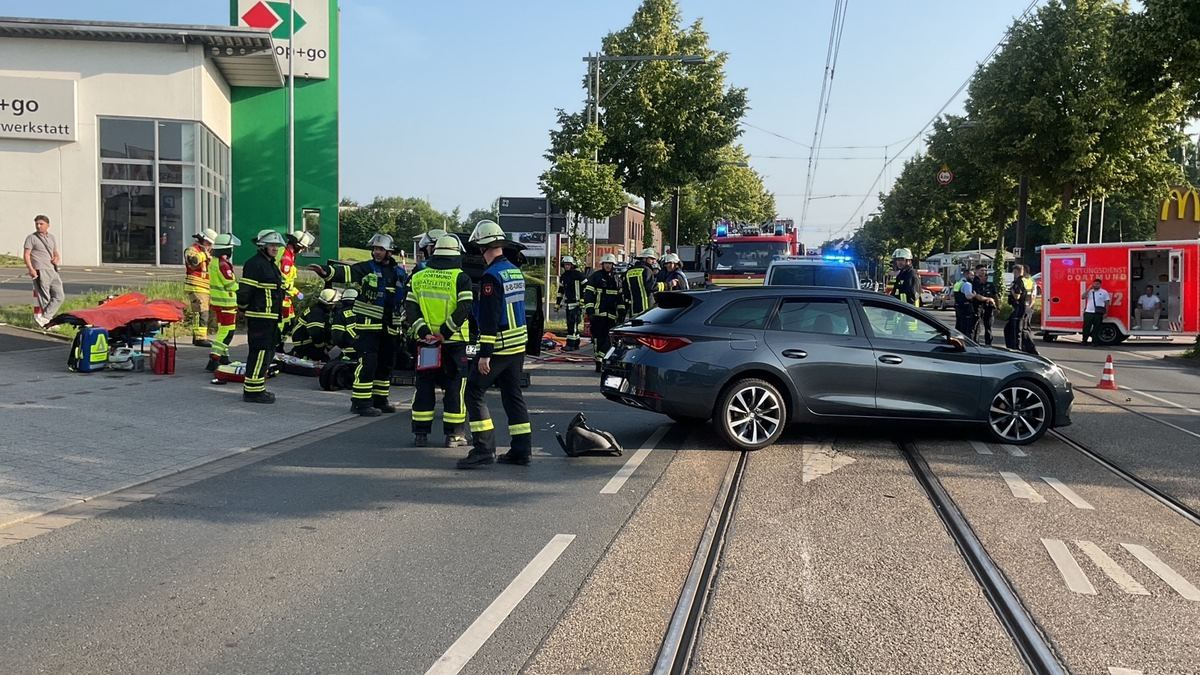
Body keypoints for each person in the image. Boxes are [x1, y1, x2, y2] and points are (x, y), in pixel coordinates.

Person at [456, 221, 531, 469]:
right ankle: (522, 450)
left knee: (473, 392)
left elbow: (490, 318)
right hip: (518, 346)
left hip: (498, 347)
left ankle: (483, 449)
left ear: (482, 247)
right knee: (512, 396)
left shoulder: (491, 276)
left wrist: (485, 354)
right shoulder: (514, 271)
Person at [309, 233, 408, 416]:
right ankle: (361, 403)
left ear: (389, 252)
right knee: (368, 364)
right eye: (374, 249)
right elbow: (347, 273)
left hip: (390, 327)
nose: (376, 252)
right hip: (368, 327)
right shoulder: (366, 268)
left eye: (380, 249)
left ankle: (380, 400)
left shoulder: (399, 273)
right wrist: (326, 272)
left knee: (385, 364)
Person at [407, 235, 473, 448]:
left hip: (426, 344)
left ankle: (420, 434)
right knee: (455, 387)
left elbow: (410, 308)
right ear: (457, 253)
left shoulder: (419, 276)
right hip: (453, 343)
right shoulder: (461, 278)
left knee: (424, 386)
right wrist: (445, 332)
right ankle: (454, 435)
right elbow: (464, 309)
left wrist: (425, 332)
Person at [237, 229, 286, 404]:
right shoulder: (255, 264)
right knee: (258, 353)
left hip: (271, 317)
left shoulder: (270, 264)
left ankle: (258, 387)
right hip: (260, 317)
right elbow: (244, 292)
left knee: (267, 353)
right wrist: (242, 308)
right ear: (262, 246)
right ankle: (252, 392)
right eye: (272, 245)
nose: (276, 248)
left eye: (277, 245)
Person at [583, 254, 624, 373]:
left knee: (609, 339)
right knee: (597, 339)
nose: (608, 265)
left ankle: (601, 358)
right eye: (606, 263)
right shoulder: (595, 277)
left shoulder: (617, 279)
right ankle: (598, 361)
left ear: (613, 265)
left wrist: (621, 313)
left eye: (610, 264)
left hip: (611, 315)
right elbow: (589, 295)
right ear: (602, 265)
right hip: (597, 314)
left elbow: (620, 299)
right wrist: (590, 311)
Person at [206, 233, 241, 372]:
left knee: (222, 331)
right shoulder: (223, 264)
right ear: (226, 249)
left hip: (218, 302)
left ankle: (224, 358)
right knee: (228, 332)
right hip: (227, 303)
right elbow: (230, 285)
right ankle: (214, 359)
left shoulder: (214, 262)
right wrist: (243, 289)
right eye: (231, 248)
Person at [24, 214, 64, 328]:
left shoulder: (51, 237)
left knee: (59, 296)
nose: (38, 226)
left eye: (41, 224)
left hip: (52, 270)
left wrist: (56, 257)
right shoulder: (31, 238)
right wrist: (31, 269)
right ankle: (48, 322)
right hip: (40, 270)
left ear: (48, 225)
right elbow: (26, 254)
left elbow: (55, 252)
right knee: (45, 297)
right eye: (37, 224)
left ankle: (45, 318)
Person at [277, 231, 315, 351]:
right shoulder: (287, 257)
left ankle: (279, 346)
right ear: (297, 245)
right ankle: (277, 347)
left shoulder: (288, 254)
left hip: (284, 297)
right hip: (281, 296)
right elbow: (284, 281)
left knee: (289, 323)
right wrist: (296, 293)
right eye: (302, 248)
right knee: (283, 324)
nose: (302, 250)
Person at [184, 227, 219, 347]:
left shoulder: (208, 252)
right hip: (196, 287)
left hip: (205, 287)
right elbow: (193, 260)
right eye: (208, 243)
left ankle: (198, 337)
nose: (210, 246)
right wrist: (205, 255)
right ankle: (200, 338)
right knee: (201, 313)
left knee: (202, 312)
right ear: (202, 240)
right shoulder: (192, 250)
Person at [289, 288, 340, 361]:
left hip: (305, 340)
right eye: (334, 303)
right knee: (326, 363)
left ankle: (304, 353)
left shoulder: (320, 309)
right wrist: (321, 348)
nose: (335, 305)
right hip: (304, 343)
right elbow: (315, 333)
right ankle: (304, 355)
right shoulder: (316, 312)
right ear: (329, 304)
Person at [1004, 264, 1038, 354]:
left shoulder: (1019, 281)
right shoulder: (1029, 281)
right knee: (1025, 329)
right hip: (1027, 307)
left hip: (1019, 307)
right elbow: (1032, 296)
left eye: (1013, 271)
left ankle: (1016, 349)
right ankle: (1029, 348)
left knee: (1016, 329)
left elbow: (1017, 296)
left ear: (1016, 272)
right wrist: (1029, 307)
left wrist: (1011, 289)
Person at [556, 255, 586, 351]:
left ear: (572, 265)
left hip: (577, 304)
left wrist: (583, 299)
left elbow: (587, 287)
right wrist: (557, 303)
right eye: (565, 265)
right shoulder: (563, 277)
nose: (567, 266)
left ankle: (570, 345)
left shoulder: (578, 275)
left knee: (572, 324)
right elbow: (560, 291)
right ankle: (576, 344)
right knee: (572, 324)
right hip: (568, 304)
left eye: (569, 264)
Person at [624, 247, 663, 318]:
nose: (654, 262)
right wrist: (668, 285)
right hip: (647, 309)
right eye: (651, 259)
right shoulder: (647, 270)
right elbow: (652, 287)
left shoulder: (630, 271)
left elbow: (625, 290)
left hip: (634, 309)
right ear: (644, 259)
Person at [328, 288, 360, 363]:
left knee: (331, 364)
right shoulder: (364, 312)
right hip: (366, 351)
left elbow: (336, 337)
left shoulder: (340, 314)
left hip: (349, 352)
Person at [972, 265, 999, 346]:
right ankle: (975, 343)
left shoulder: (990, 285)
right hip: (978, 307)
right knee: (976, 327)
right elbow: (977, 296)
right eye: (982, 270)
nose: (984, 272)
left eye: (985, 271)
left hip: (988, 308)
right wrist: (989, 299)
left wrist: (998, 308)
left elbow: (996, 297)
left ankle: (989, 344)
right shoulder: (974, 283)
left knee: (989, 327)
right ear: (976, 271)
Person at [1080, 278, 1111, 345]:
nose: (1095, 285)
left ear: (1100, 285)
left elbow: (1107, 303)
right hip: (1089, 312)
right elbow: (1082, 297)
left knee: (1097, 327)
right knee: (1086, 327)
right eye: (1094, 283)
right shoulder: (1090, 292)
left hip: (1098, 313)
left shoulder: (1104, 292)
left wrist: (1106, 312)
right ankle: (1084, 341)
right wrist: (1088, 289)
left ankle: (1095, 341)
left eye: (1097, 284)